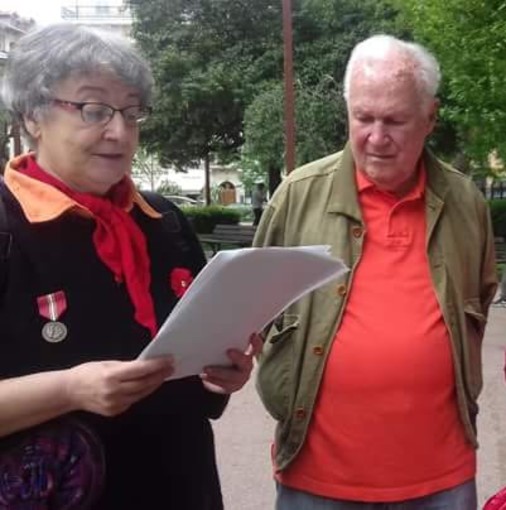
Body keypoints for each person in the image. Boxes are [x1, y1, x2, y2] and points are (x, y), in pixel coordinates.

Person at [0, 23, 261, 509]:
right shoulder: (8, 226)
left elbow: (197, 386)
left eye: (131, 112)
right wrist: (69, 389)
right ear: (34, 116)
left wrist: (221, 375)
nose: (119, 132)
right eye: (93, 109)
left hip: (184, 489)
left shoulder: (165, 222)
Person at [253, 35, 498, 510]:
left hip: (441, 479)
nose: (376, 137)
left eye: (395, 120)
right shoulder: (298, 195)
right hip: (316, 477)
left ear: (429, 118)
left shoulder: (467, 202)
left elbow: (481, 298)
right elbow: (248, 309)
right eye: (363, 118)